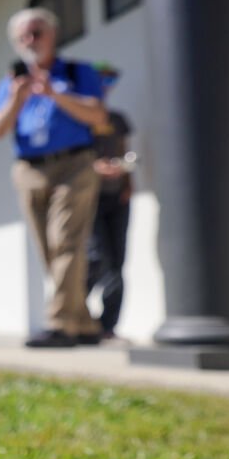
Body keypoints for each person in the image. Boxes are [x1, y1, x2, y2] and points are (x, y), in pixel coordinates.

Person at [0, 8, 108, 348]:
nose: (30, 41)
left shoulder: (76, 72)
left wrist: (54, 93)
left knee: (65, 241)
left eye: (36, 32)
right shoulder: (10, 84)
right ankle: (83, 322)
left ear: (53, 35)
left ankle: (59, 325)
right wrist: (16, 99)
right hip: (29, 169)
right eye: (23, 36)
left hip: (74, 165)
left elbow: (97, 114)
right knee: (49, 251)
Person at [87, 78, 134, 341]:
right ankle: (76, 313)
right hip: (90, 199)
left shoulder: (117, 119)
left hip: (117, 198)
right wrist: (95, 169)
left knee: (117, 262)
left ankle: (108, 326)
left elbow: (125, 150)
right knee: (95, 258)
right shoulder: (80, 120)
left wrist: (127, 183)